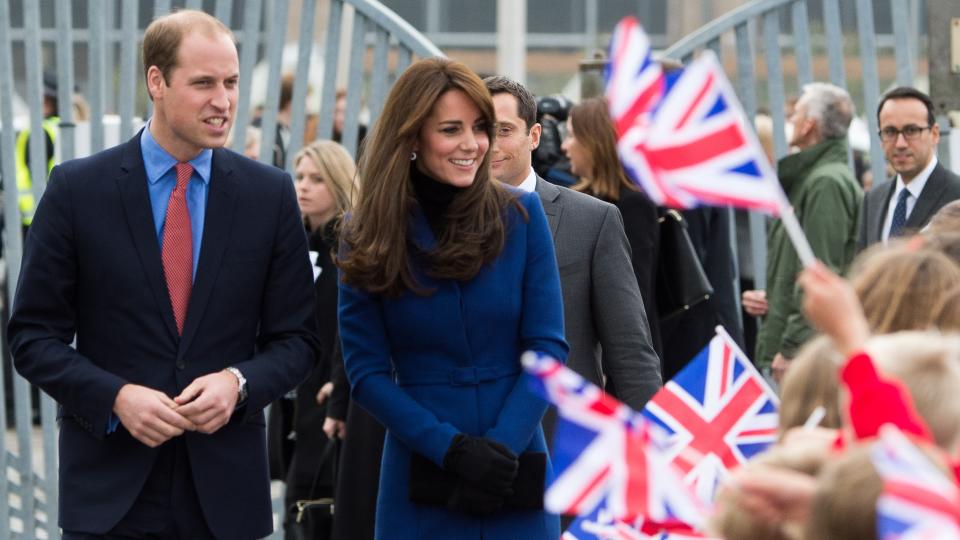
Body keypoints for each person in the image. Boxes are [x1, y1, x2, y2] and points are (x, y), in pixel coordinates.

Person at [7, 10, 320, 539]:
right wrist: (115, 397)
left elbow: (298, 341)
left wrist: (237, 384)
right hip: (108, 492)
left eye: (231, 83)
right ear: (156, 81)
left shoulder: (269, 196)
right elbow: (33, 336)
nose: (223, 101)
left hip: (224, 497)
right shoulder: (78, 190)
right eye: (203, 83)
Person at [337, 57, 568, 539]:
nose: (472, 144)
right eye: (451, 129)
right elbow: (366, 374)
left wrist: (500, 452)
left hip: (515, 464)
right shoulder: (367, 233)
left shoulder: (522, 215)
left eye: (481, 128)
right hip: (420, 466)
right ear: (413, 137)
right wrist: (453, 451)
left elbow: (548, 349)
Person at [483, 75, 660, 418]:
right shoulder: (437, 222)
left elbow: (630, 351)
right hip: (468, 442)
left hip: (565, 433)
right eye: (481, 130)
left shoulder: (592, 221)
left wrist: (652, 437)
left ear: (533, 136)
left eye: (503, 130)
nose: (489, 143)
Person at [751, 82, 863, 381]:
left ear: (810, 123)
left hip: (808, 353)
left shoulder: (825, 183)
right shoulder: (814, 178)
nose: (792, 121)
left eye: (796, 113)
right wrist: (770, 297)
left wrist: (792, 348)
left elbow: (820, 270)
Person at [280, 140, 358, 540]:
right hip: (296, 397)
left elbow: (351, 324)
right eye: (299, 177)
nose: (303, 187)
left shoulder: (350, 244)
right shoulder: (294, 242)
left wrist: (340, 381)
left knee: (313, 510)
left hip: (330, 399)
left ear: (339, 182)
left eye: (316, 179)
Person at [562, 97, 663, 357]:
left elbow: (632, 296)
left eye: (572, 136)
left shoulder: (633, 205)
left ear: (595, 142)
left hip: (617, 364)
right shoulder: (577, 200)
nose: (564, 146)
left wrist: (611, 364)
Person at [860, 87, 960, 248]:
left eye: (911, 130)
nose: (900, 144)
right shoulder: (873, 199)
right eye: (890, 132)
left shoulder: (956, 195)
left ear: (934, 134)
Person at [15, 71, 61, 230]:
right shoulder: (61, 127)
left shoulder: (38, 131)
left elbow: (36, 173)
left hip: (35, 214)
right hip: (57, 212)